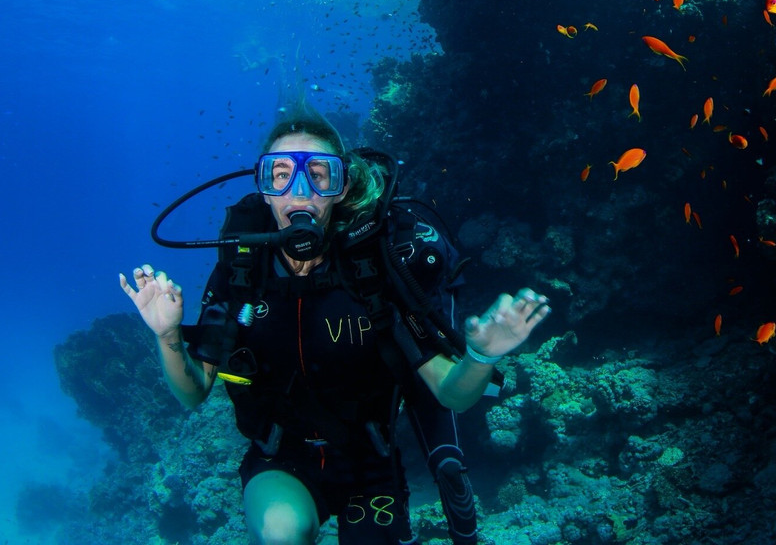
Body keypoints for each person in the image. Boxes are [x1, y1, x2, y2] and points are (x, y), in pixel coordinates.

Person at [121, 113, 551, 544]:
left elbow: (452, 393)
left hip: (370, 460)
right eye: (281, 175)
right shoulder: (241, 273)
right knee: (280, 534)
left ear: (341, 188)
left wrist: (482, 354)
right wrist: (167, 335)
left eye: (319, 175)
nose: (301, 192)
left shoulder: (376, 272)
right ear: (263, 189)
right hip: (280, 456)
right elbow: (193, 391)